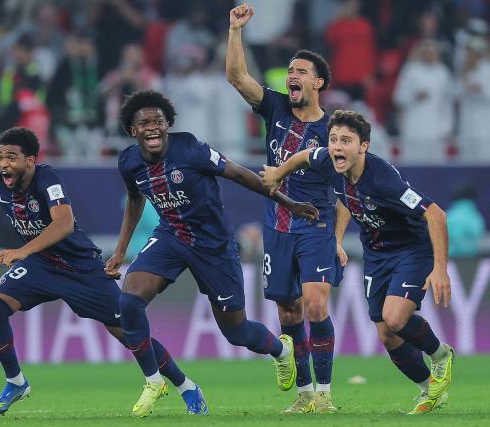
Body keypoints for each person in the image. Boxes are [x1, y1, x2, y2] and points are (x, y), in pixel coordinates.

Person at [0, 127, 203, 417]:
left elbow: (64, 223)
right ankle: (15, 382)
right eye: (0, 157)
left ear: (30, 160)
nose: (4, 164)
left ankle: (186, 386)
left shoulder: (47, 179)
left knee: (130, 334)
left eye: (12, 158)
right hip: (40, 266)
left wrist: (23, 250)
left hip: (81, 269)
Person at [104, 90, 320, 417]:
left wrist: (289, 203)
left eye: (158, 122)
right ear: (132, 130)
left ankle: (279, 349)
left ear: (167, 125)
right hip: (171, 235)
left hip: (214, 245)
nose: (152, 127)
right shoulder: (128, 161)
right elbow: (135, 201)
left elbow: (240, 175)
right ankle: (153, 380)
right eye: (144, 123)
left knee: (236, 331)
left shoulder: (190, 148)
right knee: (129, 301)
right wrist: (120, 252)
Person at [261, 110, 454, 415]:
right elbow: (307, 158)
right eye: (334, 139)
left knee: (394, 317)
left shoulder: (383, 179)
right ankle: (429, 390)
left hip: (411, 249)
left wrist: (440, 269)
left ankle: (441, 355)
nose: (337, 146)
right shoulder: (330, 160)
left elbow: (435, 214)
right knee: (386, 334)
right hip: (376, 254)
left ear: (364, 146)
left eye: (346, 141)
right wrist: (279, 174)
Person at [226, 3, 341, 413]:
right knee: (288, 310)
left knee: (315, 304)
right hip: (277, 225)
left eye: (302, 71)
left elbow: (346, 189)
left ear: (319, 83)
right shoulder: (275, 107)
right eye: (290, 70)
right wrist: (235, 31)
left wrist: (339, 240)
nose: (293, 75)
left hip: (316, 223)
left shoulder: (333, 131)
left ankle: (325, 394)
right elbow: (237, 77)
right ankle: (305, 394)